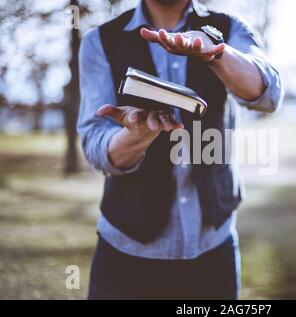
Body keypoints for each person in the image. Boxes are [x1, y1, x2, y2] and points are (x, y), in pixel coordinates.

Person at [77, 0, 283, 299]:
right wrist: (136, 137)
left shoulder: (229, 27)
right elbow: (95, 145)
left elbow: (268, 97)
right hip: (125, 256)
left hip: (214, 249)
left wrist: (216, 55)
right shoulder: (99, 41)